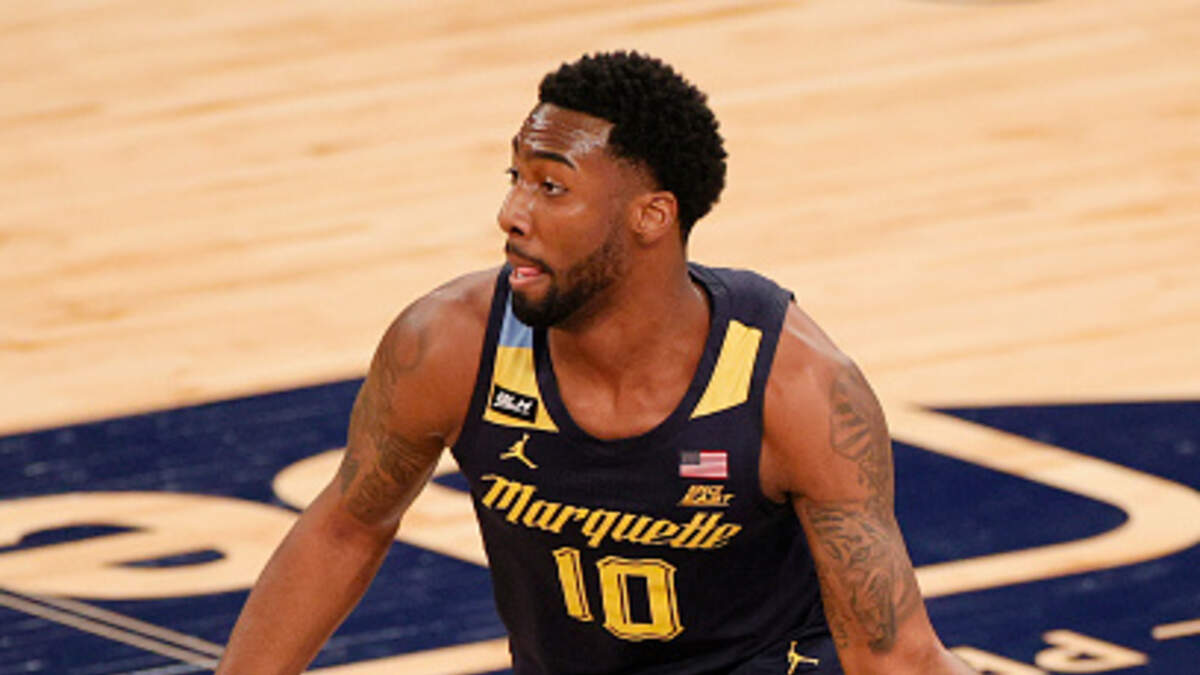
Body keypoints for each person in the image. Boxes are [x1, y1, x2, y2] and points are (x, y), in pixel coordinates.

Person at [217, 51, 976, 675]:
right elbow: (346, 528)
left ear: (652, 215)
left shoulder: (795, 387)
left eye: (552, 187)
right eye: (515, 178)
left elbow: (895, 657)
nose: (512, 214)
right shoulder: (448, 345)